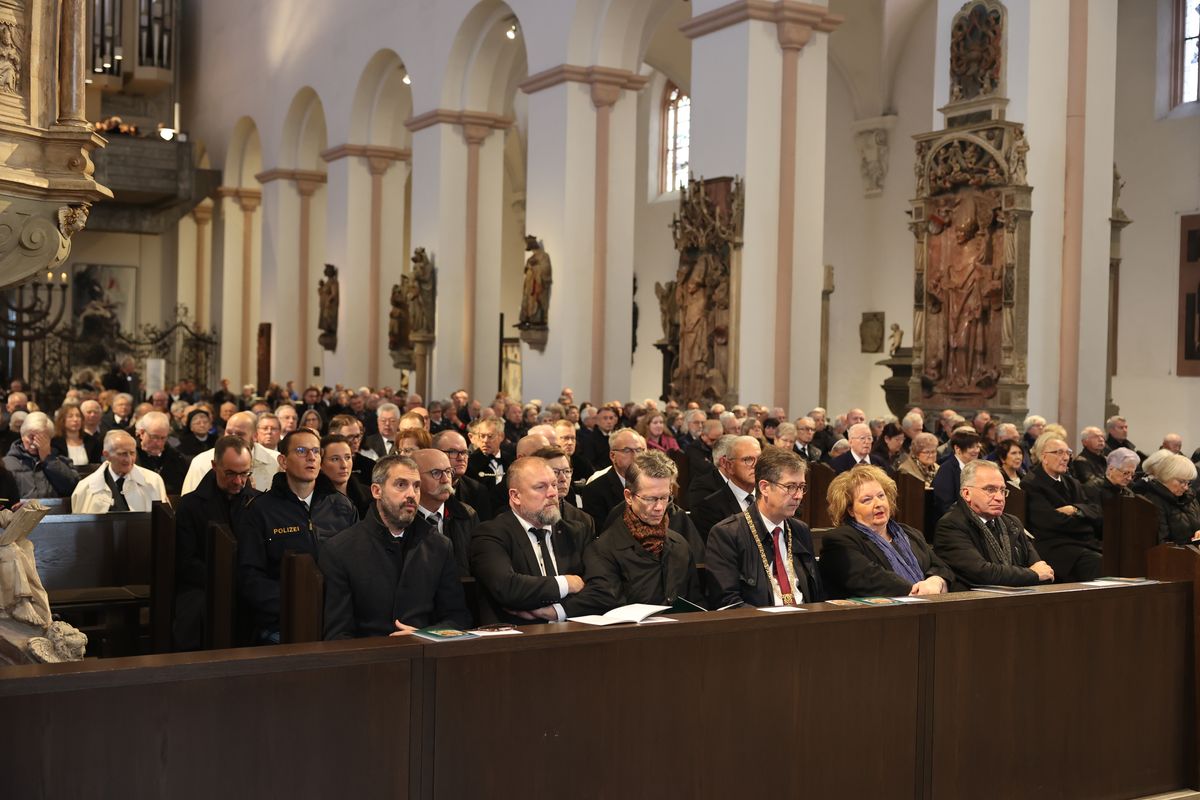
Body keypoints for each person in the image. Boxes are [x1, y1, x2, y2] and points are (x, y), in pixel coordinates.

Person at [320, 455, 472, 638]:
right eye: (401, 485)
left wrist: (424, 635)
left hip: (426, 656)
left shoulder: (439, 545)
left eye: (416, 486)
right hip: (371, 659)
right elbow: (338, 634)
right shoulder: (340, 549)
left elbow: (457, 618)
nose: (411, 494)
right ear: (376, 491)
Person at [236, 428, 357, 643]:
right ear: (283, 461)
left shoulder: (342, 506)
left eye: (316, 452)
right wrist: (295, 604)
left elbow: (358, 566)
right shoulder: (260, 510)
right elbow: (250, 577)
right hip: (282, 618)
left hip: (335, 617)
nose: (311, 457)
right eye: (301, 451)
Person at [468, 456, 600, 624]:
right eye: (541, 487)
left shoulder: (576, 532)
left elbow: (602, 588)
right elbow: (508, 588)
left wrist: (557, 611)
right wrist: (566, 583)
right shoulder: (490, 534)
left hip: (574, 633)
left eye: (553, 484)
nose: (553, 493)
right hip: (517, 639)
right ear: (515, 496)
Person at [581, 450, 703, 611]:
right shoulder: (603, 550)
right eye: (650, 499)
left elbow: (696, 601)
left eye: (665, 497)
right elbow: (608, 608)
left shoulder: (679, 544)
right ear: (629, 496)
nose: (659, 507)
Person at [706, 448, 824, 608]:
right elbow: (727, 602)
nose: (798, 496)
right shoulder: (728, 533)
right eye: (790, 487)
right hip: (758, 627)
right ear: (764, 487)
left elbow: (816, 593)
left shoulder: (800, 530)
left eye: (801, 487)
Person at [173, 436, 260, 650]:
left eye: (244, 473)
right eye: (230, 473)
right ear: (214, 466)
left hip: (248, 582)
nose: (239, 481)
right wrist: (224, 579)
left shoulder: (258, 503)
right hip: (203, 584)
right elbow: (186, 561)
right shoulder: (190, 505)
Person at [818, 464, 955, 599]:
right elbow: (870, 579)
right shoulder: (839, 540)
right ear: (850, 510)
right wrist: (918, 592)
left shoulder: (910, 533)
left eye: (881, 496)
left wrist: (936, 581)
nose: (878, 504)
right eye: (867, 500)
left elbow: (941, 567)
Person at [934, 460, 1054, 587]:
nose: (999, 498)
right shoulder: (951, 525)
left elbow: (1042, 570)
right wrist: (1032, 574)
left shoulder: (1012, 523)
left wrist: (1036, 574)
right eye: (990, 489)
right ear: (967, 493)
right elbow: (982, 573)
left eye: (1002, 490)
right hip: (976, 602)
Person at [1022, 432, 1102, 582]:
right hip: (1055, 547)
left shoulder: (1072, 482)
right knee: (1097, 562)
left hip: (1080, 543)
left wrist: (1075, 510)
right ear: (1044, 457)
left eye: (1068, 453)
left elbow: (1097, 512)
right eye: (1059, 453)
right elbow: (1051, 522)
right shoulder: (1031, 484)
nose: (1066, 458)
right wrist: (1085, 519)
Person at [412, 447, 478, 575]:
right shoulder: (401, 517)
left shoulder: (467, 514)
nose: (445, 479)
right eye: (436, 473)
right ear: (415, 478)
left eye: (448, 472)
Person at [181, 411, 280, 494]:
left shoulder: (275, 461)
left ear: (255, 436)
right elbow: (190, 504)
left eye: (239, 434)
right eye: (229, 432)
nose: (232, 438)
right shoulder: (202, 462)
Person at [70, 430, 168, 513]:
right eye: (123, 454)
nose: (129, 460)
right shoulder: (86, 487)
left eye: (132, 453)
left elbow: (163, 521)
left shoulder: (153, 481)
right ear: (106, 455)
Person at [690, 435, 761, 540]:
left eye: (759, 459)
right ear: (729, 466)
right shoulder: (710, 507)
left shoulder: (771, 498)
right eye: (748, 459)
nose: (756, 465)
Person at [580, 428, 647, 525]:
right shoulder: (594, 490)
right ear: (612, 456)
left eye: (639, 450)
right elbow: (601, 531)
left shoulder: (652, 484)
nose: (636, 456)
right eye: (627, 450)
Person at [1131, 451, 1200, 545]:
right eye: (1182, 482)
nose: (1186, 487)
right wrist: (1191, 544)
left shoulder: (1189, 497)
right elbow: (1161, 544)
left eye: (1188, 482)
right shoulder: (1153, 501)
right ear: (1167, 476)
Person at [5, 412, 79, 498]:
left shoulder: (62, 461)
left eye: (42, 438)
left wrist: (48, 459)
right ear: (22, 436)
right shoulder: (7, 464)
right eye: (31, 437)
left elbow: (72, 489)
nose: (36, 442)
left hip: (56, 510)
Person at [534, 445, 595, 542]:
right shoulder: (525, 516)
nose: (563, 478)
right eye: (555, 472)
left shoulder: (584, 520)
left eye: (567, 471)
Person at [433, 429, 492, 521]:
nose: (461, 458)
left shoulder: (478, 491)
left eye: (464, 452)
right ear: (436, 453)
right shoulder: (423, 489)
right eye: (452, 452)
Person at [930, 428, 983, 520]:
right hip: (953, 522)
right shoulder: (946, 470)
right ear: (957, 448)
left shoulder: (976, 468)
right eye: (971, 447)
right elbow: (945, 504)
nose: (976, 450)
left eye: (977, 447)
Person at [133, 411, 189, 495]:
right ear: (141, 433)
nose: (158, 443)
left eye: (163, 438)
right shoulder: (131, 456)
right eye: (154, 437)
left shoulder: (177, 458)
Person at [466, 417, 511, 517]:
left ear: (501, 436)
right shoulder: (470, 463)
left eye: (490, 436)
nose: (485, 441)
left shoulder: (511, 460)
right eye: (482, 436)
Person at [320, 433, 371, 519]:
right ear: (320, 464)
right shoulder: (313, 499)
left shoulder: (369, 495)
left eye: (347, 457)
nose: (344, 465)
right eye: (335, 459)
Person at [1071, 426, 1108, 491]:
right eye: (1096, 437)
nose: (1101, 439)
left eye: (1102, 437)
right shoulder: (1080, 461)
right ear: (1084, 442)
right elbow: (1091, 483)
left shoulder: (1106, 459)